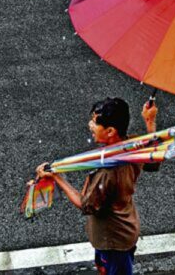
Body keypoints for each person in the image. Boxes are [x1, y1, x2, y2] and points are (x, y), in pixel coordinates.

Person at [36, 97, 159, 275]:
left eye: (95, 122)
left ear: (110, 131)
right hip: (123, 227)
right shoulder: (132, 145)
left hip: (113, 240)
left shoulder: (108, 173)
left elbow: (86, 205)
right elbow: (152, 162)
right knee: (104, 267)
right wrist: (150, 121)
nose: (90, 125)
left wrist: (57, 177)